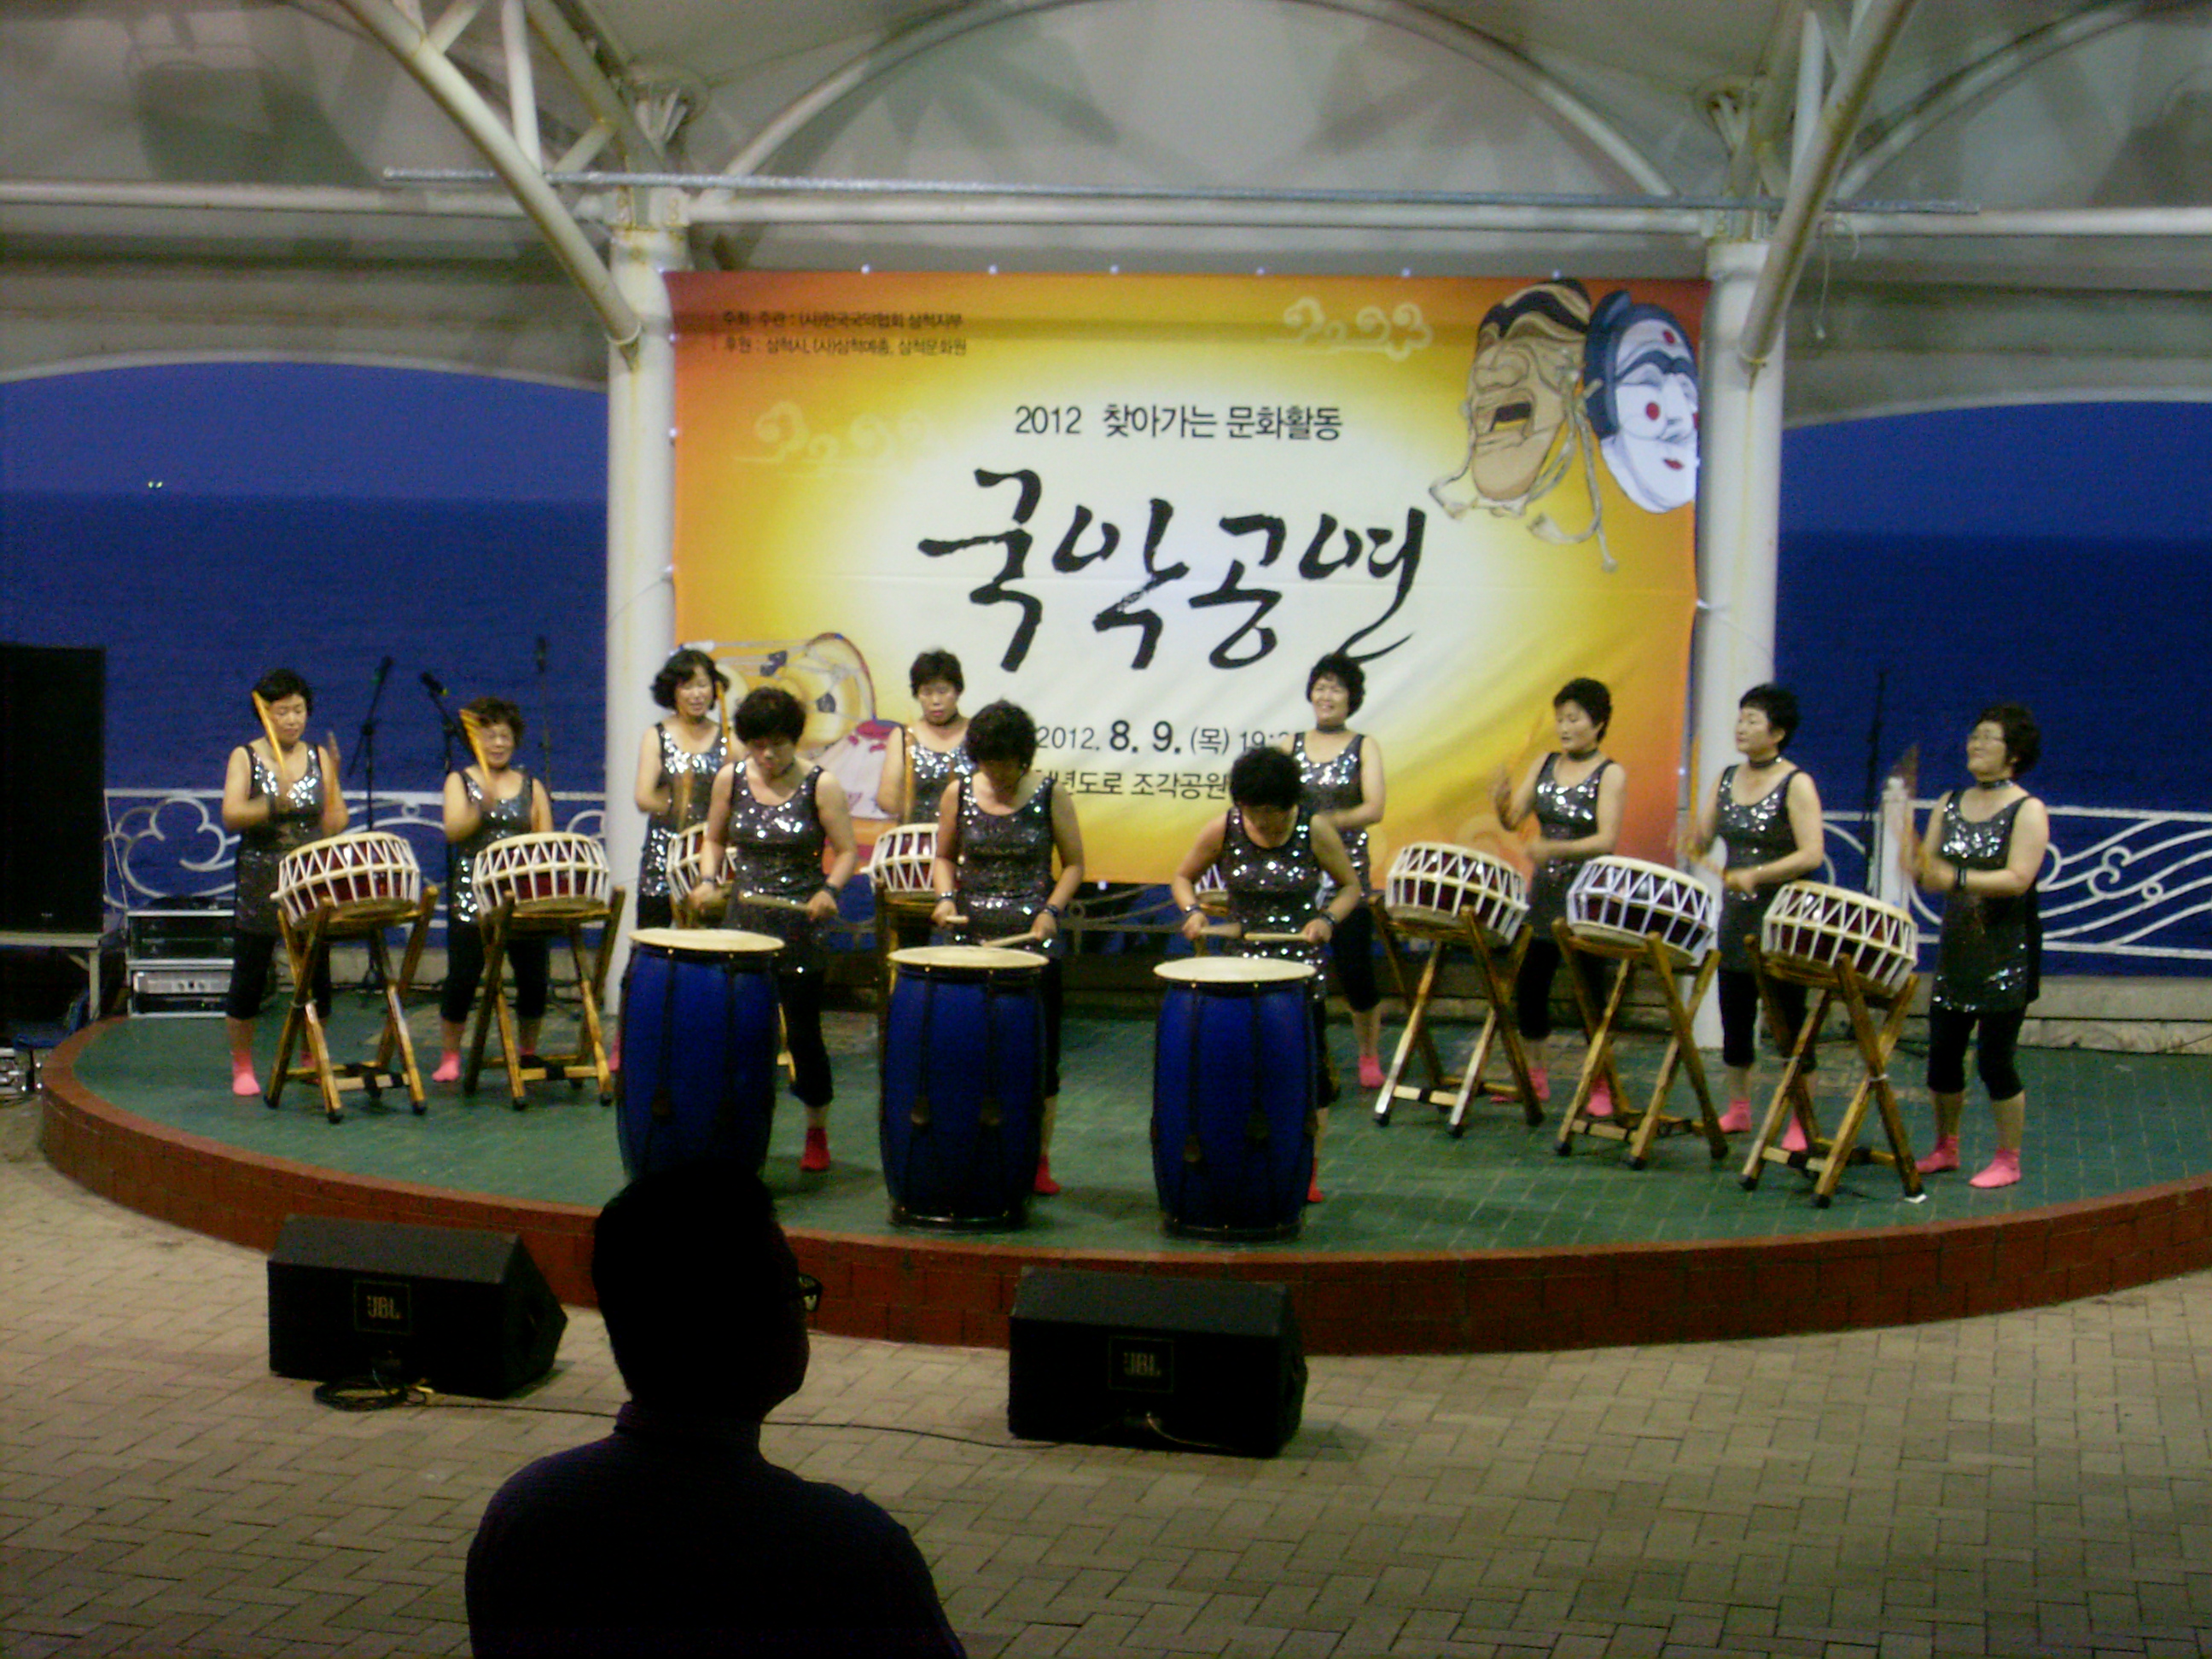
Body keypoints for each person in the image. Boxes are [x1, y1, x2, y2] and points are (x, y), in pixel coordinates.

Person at [465, 1161, 968, 1658]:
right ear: (754, 1322)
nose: (801, 1310)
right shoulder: (850, 1551)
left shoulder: (526, 1516)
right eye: (792, 1289)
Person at [1170, 746, 1366, 1203]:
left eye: (1275, 814)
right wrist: (1193, 911)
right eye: (1256, 813)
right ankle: (1239, 1159)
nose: (1266, 823)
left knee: (1307, 1076)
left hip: (1298, 973)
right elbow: (1182, 877)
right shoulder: (1225, 827)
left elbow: (1351, 886)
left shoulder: (1314, 828)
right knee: (1241, 1072)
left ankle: (1306, 1168)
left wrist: (1327, 920)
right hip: (1240, 971)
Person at [695, 685, 859, 1173]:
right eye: (759, 745)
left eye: (779, 745)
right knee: (740, 1035)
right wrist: (708, 879)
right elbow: (713, 839)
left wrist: (829, 889)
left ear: (796, 739)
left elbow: (847, 851)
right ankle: (740, 1128)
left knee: (804, 1036)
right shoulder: (731, 779)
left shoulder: (820, 784)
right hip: (744, 925)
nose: (768, 755)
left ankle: (816, 1131)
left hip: (799, 927)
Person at [928, 701, 1085, 1196]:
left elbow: (1075, 864)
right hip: (970, 938)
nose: (996, 776)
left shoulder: (1050, 793)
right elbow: (943, 857)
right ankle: (967, 1148)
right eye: (987, 765)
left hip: (1031, 942)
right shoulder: (958, 792)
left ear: (1024, 758)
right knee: (968, 1052)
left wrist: (1051, 909)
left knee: (1038, 1055)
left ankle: (1038, 1158)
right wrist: (945, 897)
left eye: (1006, 766)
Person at [1909, 703, 2050, 1190]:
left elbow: (2018, 878)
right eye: (1974, 735)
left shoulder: (2027, 809)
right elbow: (1929, 871)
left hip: (2006, 954)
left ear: (2014, 753)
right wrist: (1919, 866)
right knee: (1942, 1058)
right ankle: (1945, 1147)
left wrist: (1957, 877)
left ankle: (2008, 1159)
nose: (1977, 744)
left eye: (1989, 737)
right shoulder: (1948, 803)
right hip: (1957, 953)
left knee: (1995, 1061)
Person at [1684, 684, 1825, 1143]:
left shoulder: (1796, 783)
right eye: (1740, 717)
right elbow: (1702, 840)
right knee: (1736, 1018)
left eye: (1753, 720)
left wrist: (1757, 874)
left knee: (1789, 1024)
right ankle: (1739, 1109)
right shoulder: (1726, 778)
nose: (1741, 727)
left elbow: (1811, 854)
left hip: (1784, 919)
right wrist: (1690, 834)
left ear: (1778, 732)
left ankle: (1801, 1118)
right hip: (1738, 919)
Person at [1494, 677, 1625, 1113]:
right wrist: (1501, 802)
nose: (1565, 727)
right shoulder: (1544, 763)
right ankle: (1535, 1078)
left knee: (1589, 993)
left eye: (1574, 719)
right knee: (1530, 987)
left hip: (1588, 898)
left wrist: (1553, 848)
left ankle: (1601, 1085)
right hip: (1545, 895)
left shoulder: (1610, 773)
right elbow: (1514, 819)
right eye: (1561, 719)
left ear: (1598, 723)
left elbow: (1606, 840)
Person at [220, 667, 346, 1097]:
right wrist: (274, 802)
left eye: (298, 710)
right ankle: (242, 1065)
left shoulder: (318, 756)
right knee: (251, 975)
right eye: (282, 712)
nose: (292, 719)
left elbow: (335, 824)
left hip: (310, 878)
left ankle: (312, 1056)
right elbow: (232, 815)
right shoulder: (246, 756)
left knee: (317, 976)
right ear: (265, 715)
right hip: (261, 878)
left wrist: (334, 782)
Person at [1280, 651, 1389, 1090]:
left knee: (1355, 969)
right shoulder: (1289, 745)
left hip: (1348, 876)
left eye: (1337, 689)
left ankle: (1368, 1054)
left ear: (1351, 698)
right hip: (1298, 874)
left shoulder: (1365, 745)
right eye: (1321, 687)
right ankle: (1311, 1054)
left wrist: (1325, 824)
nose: (1327, 696)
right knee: (1299, 970)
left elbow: (1374, 808)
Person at [435, 696, 553, 1083]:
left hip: (521, 898)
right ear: (475, 740)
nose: (499, 743)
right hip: (473, 897)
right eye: (490, 736)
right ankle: (450, 1056)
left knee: (534, 978)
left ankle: (528, 1052)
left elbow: (546, 840)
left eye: (505, 736)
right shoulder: (460, 780)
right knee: (463, 978)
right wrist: (479, 808)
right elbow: (454, 831)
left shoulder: (531, 785)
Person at [630, 648, 729, 932]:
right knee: (651, 939)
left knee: (713, 940)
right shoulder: (656, 735)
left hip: (711, 856)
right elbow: (644, 797)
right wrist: (682, 803)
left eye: (702, 685)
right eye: (687, 686)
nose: (696, 694)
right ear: (672, 691)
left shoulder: (729, 737)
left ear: (715, 689)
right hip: (663, 855)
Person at [882, 649, 973, 951]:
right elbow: (887, 801)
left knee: (963, 946)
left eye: (943, 691)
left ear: (958, 691)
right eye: (926, 692)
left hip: (966, 854)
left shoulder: (977, 734)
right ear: (917, 694)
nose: (935, 701)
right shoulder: (903, 736)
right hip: (915, 856)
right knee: (911, 947)